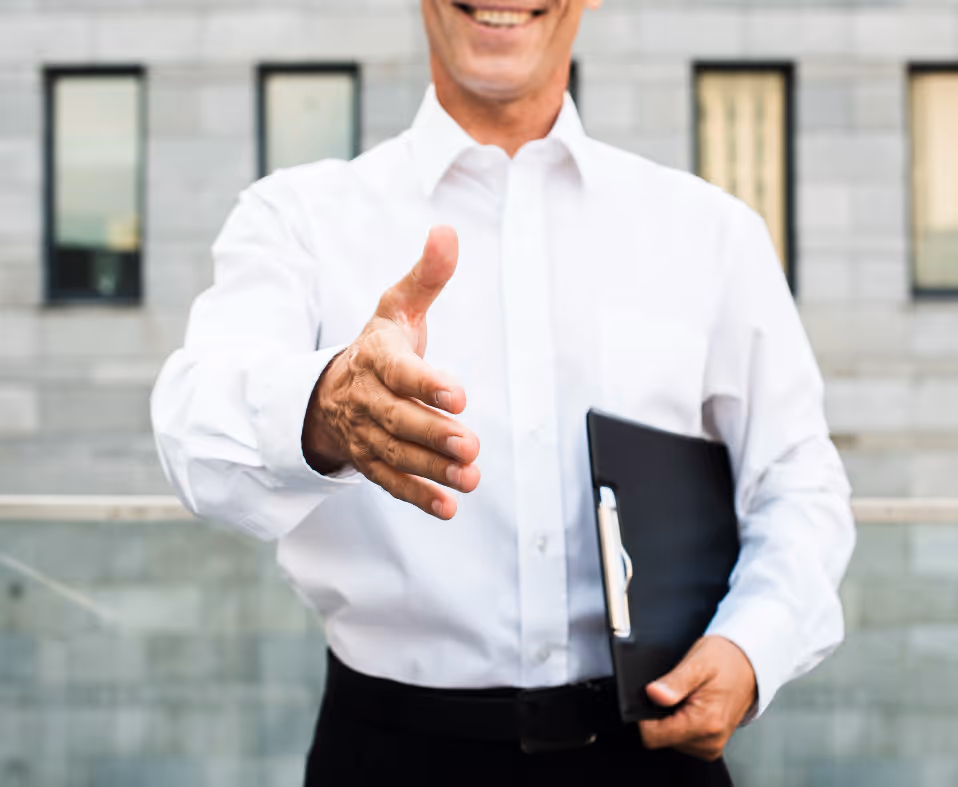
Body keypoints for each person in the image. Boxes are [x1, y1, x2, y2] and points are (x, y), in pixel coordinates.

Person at [151, 0, 856, 782]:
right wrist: (324, 408)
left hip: (654, 748)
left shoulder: (710, 232)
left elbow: (799, 482)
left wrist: (752, 644)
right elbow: (193, 428)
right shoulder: (298, 220)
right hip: (390, 754)